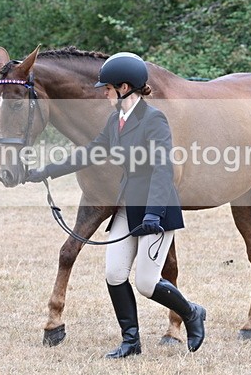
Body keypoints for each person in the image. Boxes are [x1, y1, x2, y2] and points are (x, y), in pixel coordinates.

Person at [26, 51, 206, 358]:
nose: (104, 93)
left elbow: (164, 169)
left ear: (125, 88)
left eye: (108, 88)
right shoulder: (115, 121)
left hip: (156, 209)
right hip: (126, 206)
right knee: (114, 273)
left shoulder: (154, 120)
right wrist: (46, 171)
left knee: (147, 283)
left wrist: (153, 213)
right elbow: (90, 153)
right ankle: (131, 341)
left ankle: (191, 312)